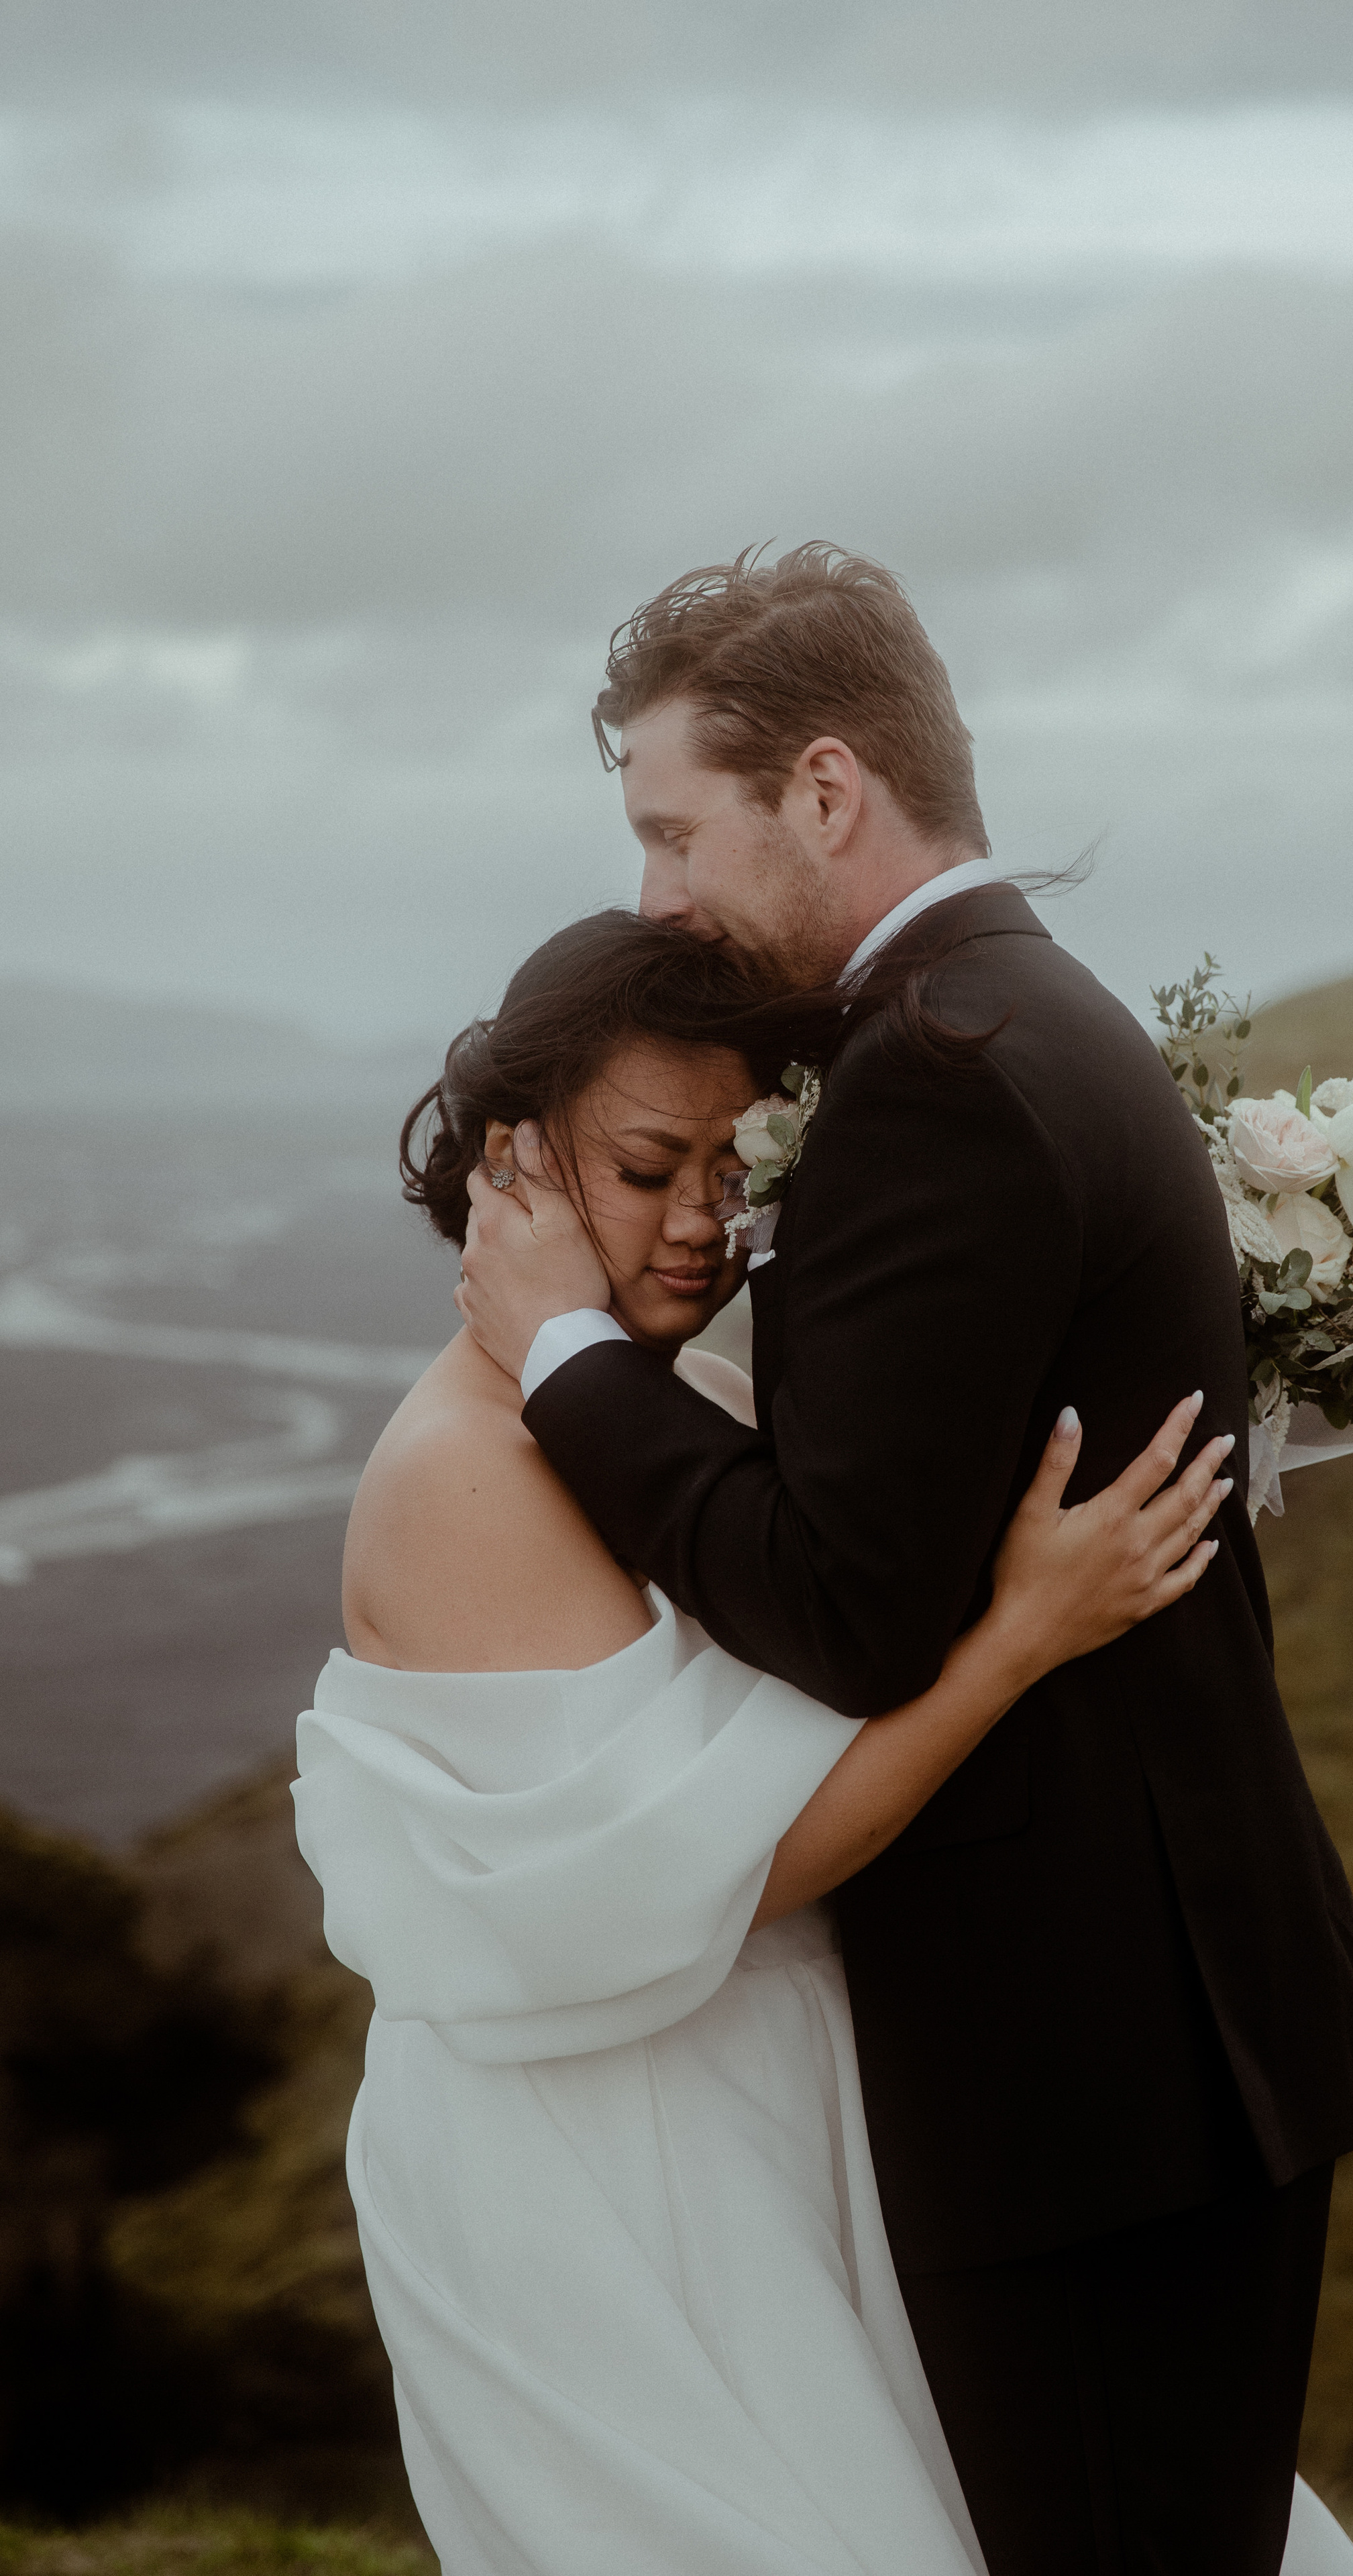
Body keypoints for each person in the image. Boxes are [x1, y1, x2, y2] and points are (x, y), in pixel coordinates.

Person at [455, 545, 1353, 2574]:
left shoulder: (938, 1078)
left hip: (1083, 2068)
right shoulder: (1033, 1011)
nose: (654, 898)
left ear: (822, 789)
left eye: (671, 830)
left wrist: (551, 1356)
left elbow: (846, 1603)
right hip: (1175, 2033)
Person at [293, 911, 1240, 2575]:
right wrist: (1025, 1636)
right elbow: (740, 1867)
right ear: (510, 1160)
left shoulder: (695, 1410)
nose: (697, 1227)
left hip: (757, 2120)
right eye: (650, 1166)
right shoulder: (464, 1471)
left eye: (738, 1174)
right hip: (596, 2183)